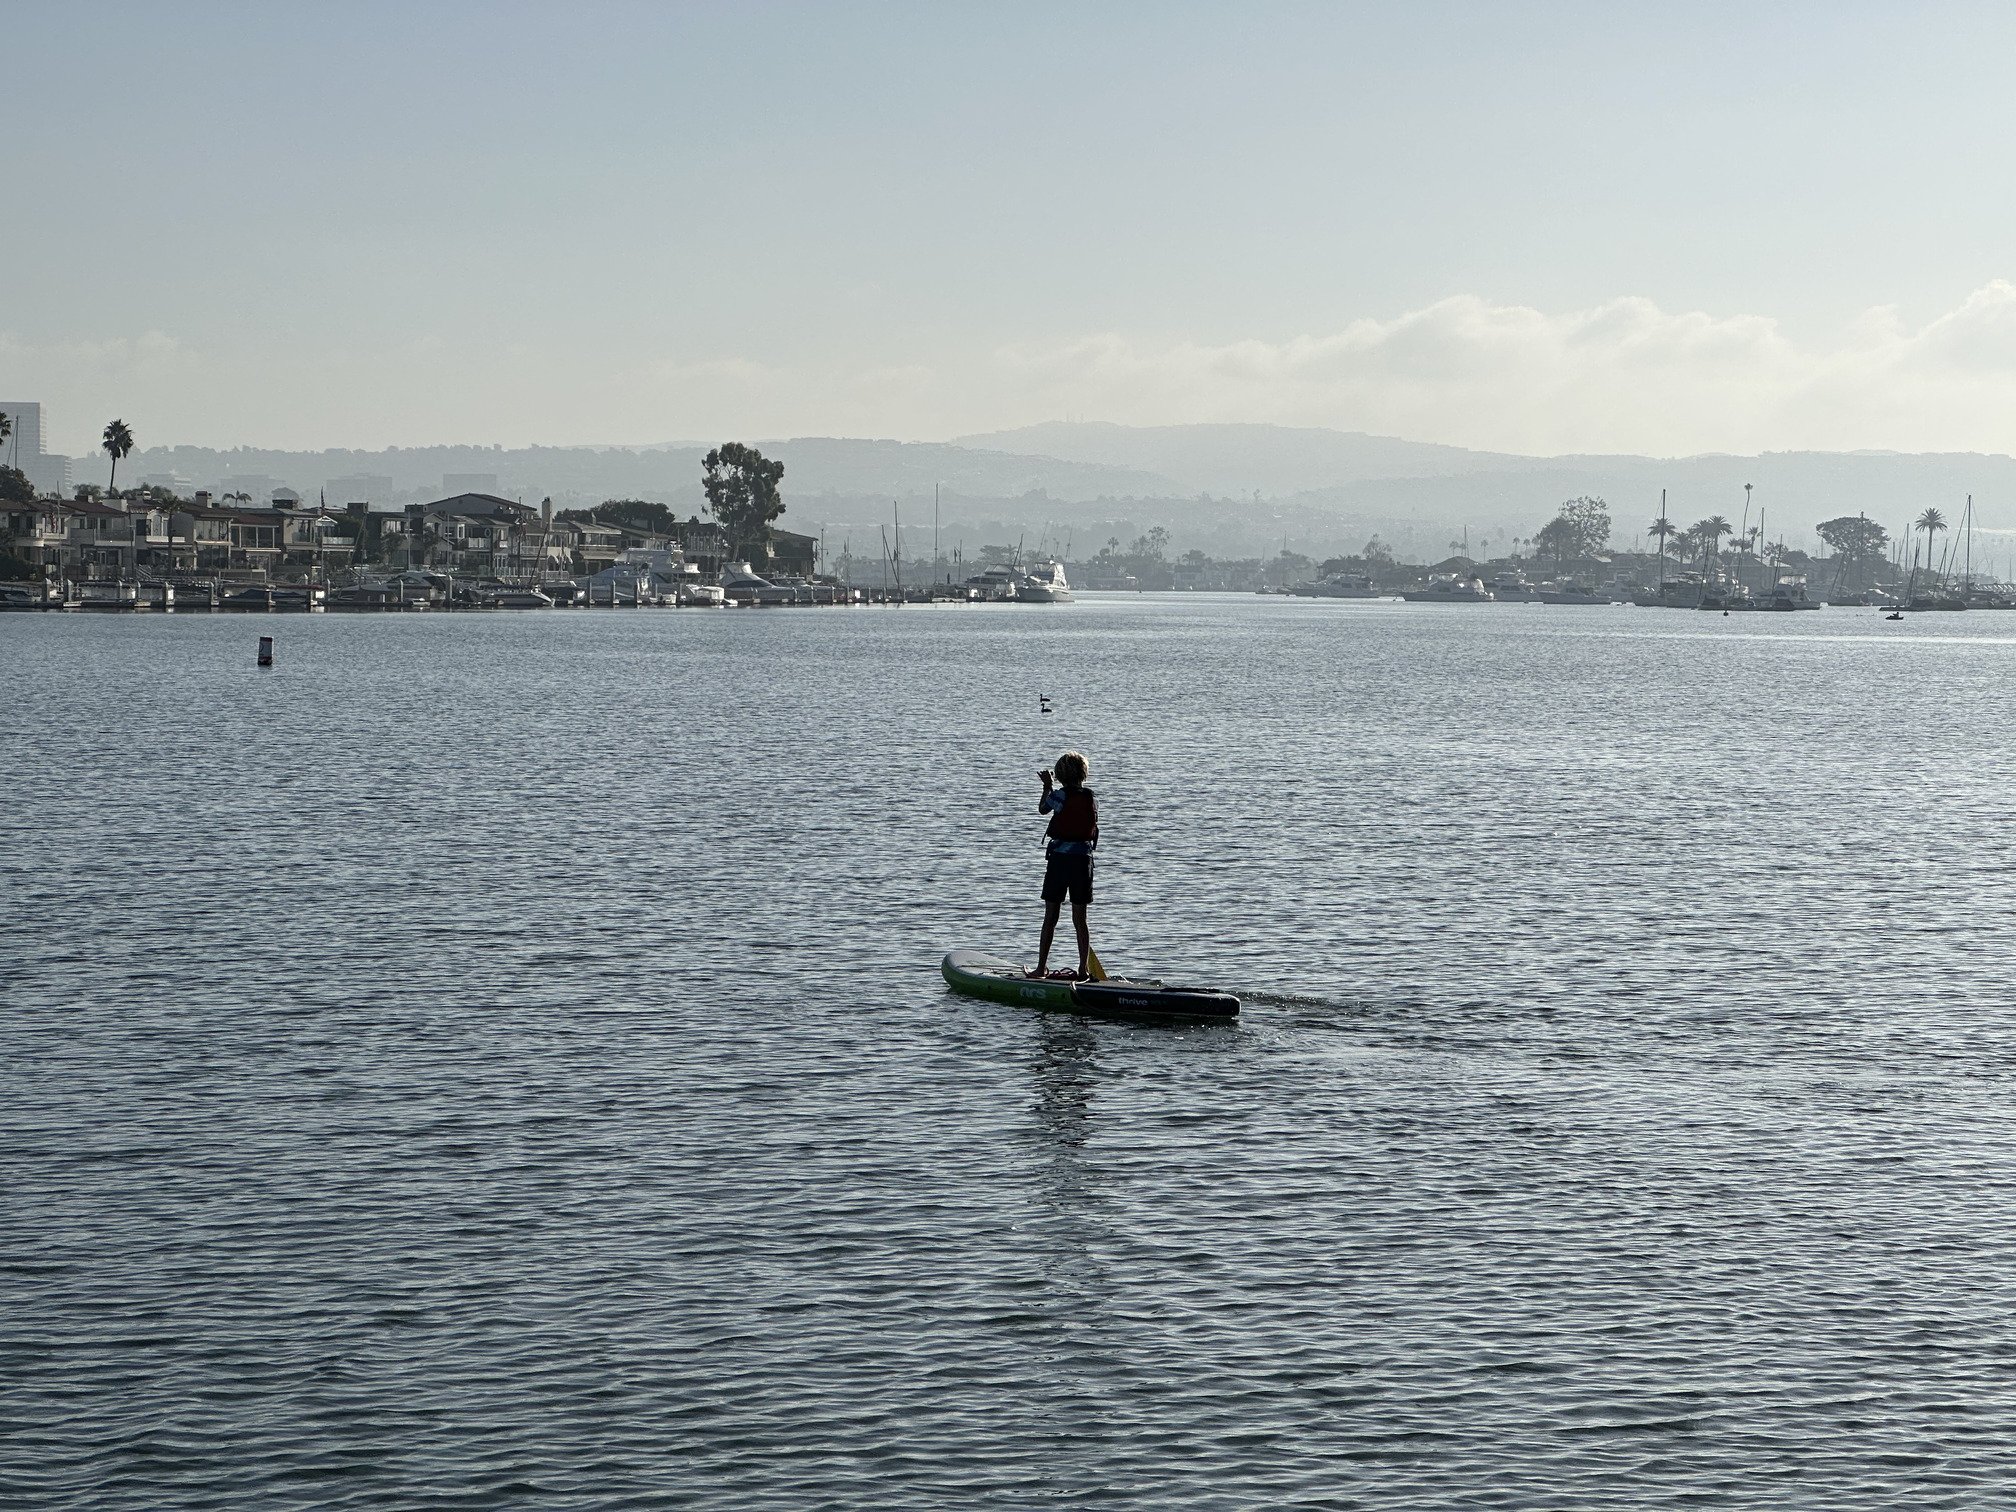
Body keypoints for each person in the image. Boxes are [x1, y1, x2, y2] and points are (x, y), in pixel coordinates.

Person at [1031, 750, 1098, 979]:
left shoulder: (1059, 796)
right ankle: (1083, 969)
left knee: (1051, 916)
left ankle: (1041, 968)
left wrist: (1047, 787)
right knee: (1080, 919)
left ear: (1060, 775)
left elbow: (1043, 809)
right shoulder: (1091, 797)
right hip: (1083, 862)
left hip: (1060, 862)